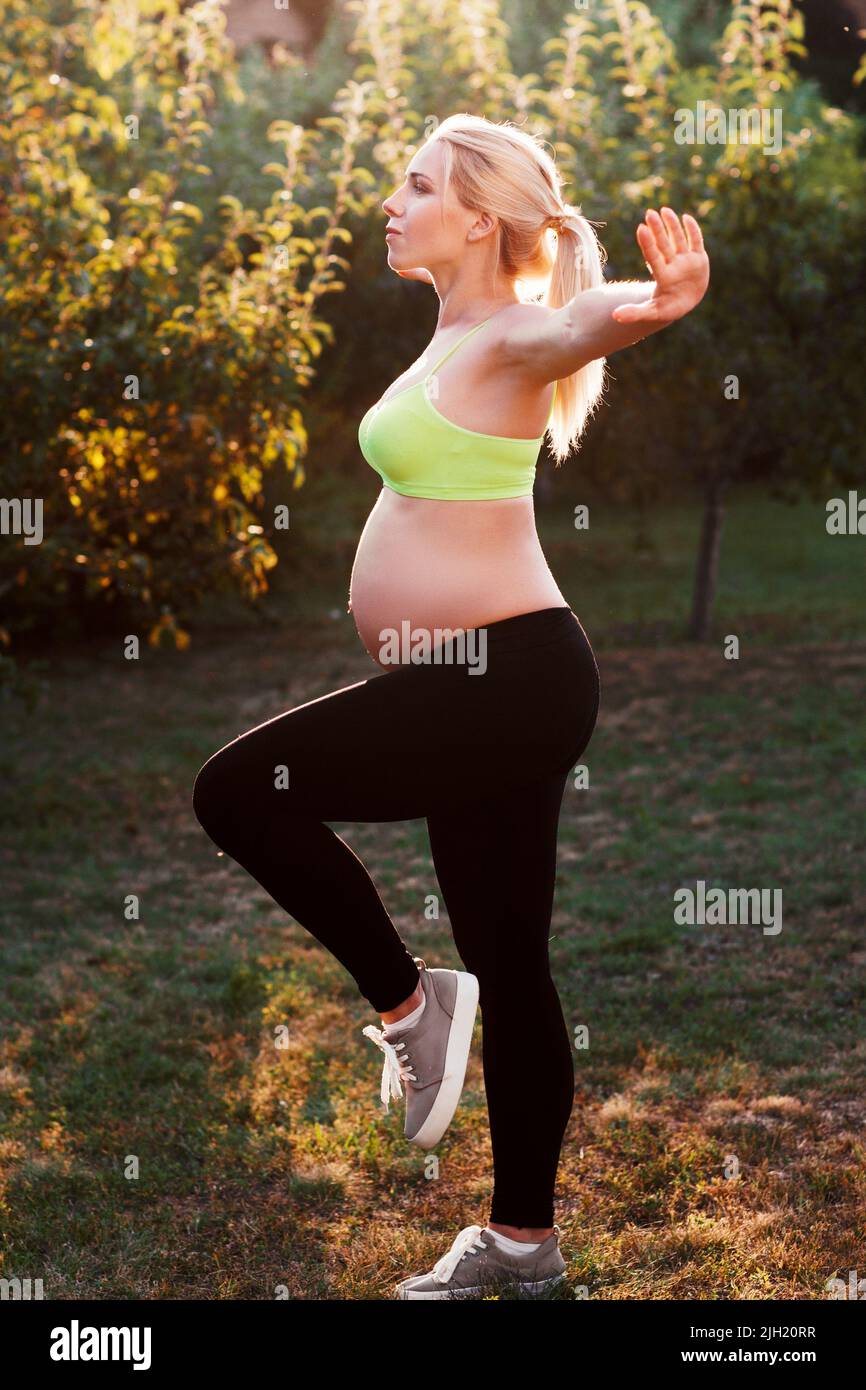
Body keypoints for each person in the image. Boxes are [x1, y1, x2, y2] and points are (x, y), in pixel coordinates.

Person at [192, 113, 709, 1300]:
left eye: (416, 184)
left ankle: (412, 1005)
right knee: (513, 964)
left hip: (499, 676)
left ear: (478, 215)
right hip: (483, 680)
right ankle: (522, 1246)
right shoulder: (449, 338)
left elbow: (581, 319)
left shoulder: (513, 335)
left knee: (238, 792)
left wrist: (655, 301)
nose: (393, 200)